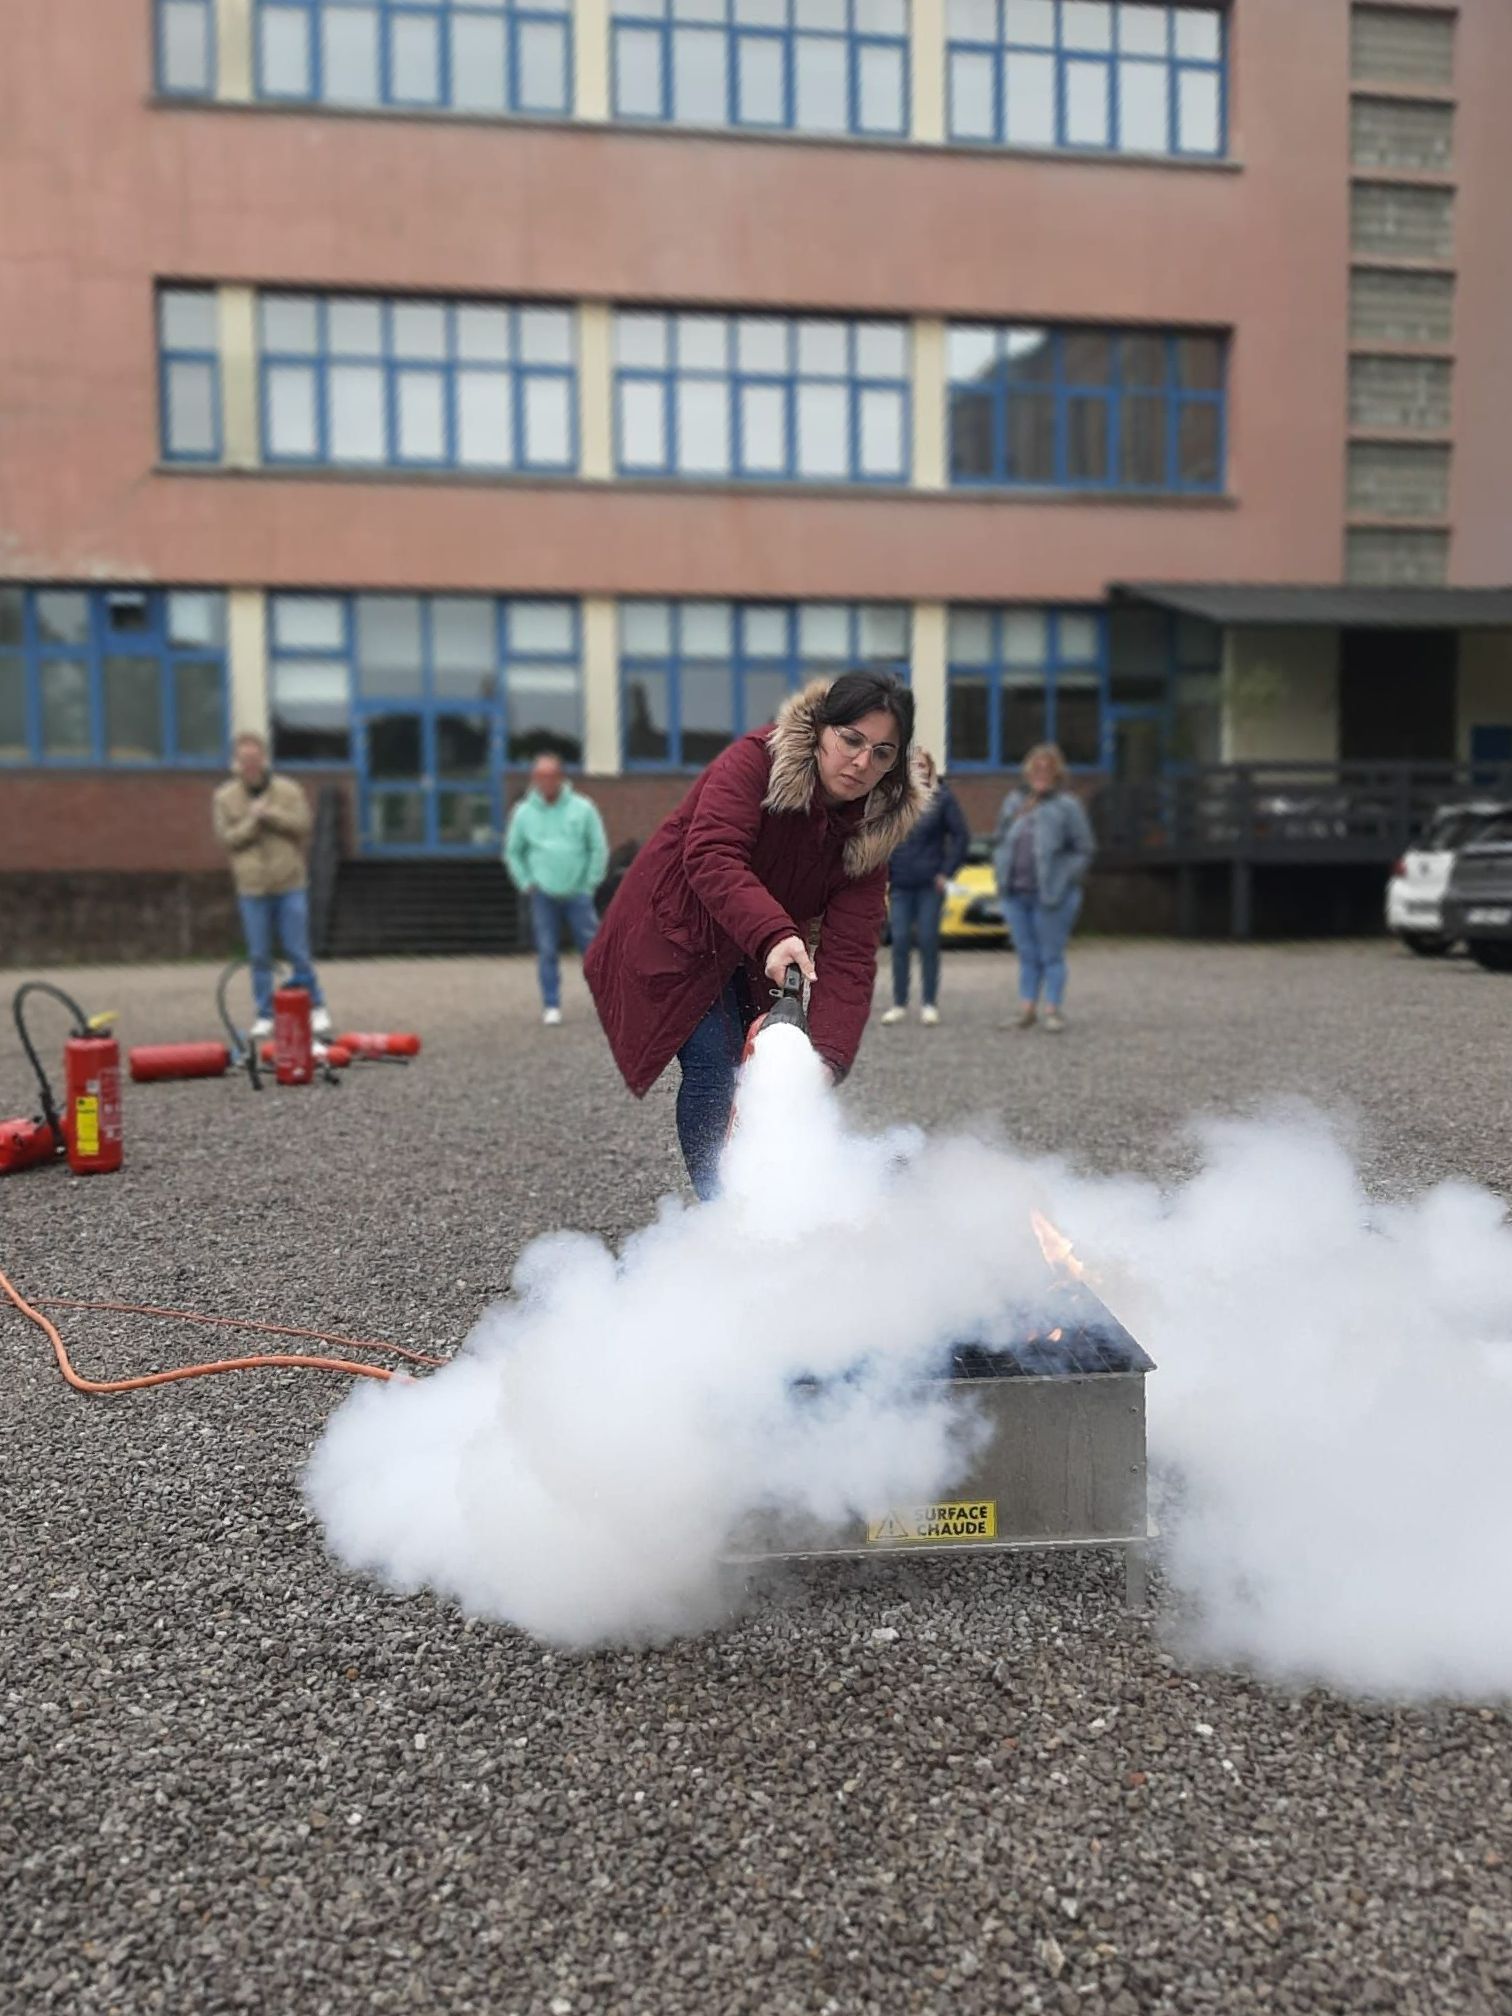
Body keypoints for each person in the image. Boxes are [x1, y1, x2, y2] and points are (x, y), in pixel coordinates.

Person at [585, 672, 926, 1200]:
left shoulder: (872, 836)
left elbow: (851, 958)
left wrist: (826, 1060)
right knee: (714, 1066)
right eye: (851, 740)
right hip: (677, 931)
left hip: (752, 953)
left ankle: (769, 1196)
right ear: (820, 730)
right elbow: (712, 852)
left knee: (760, 1070)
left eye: (883, 753)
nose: (862, 763)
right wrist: (774, 935)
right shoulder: (754, 761)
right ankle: (720, 1213)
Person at [212, 732, 330, 1040]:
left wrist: (271, 814)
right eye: (244, 760)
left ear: (264, 759)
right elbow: (227, 840)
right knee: (259, 954)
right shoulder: (225, 797)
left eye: (255, 759)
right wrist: (252, 820)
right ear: (236, 763)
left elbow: (303, 826)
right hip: (252, 888)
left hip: (289, 882)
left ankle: (315, 1006)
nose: (250, 765)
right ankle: (265, 1014)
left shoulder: (288, 790)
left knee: (297, 951)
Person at [992, 742, 1096, 1034]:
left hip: (1052, 896)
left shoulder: (1067, 806)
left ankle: (1052, 1009)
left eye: (1047, 769)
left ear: (1057, 773)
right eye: (1035, 769)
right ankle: (1026, 1010)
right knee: (1027, 954)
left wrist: (1065, 878)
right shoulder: (1014, 802)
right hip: (1015, 893)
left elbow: (1083, 849)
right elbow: (1000, 838)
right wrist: (1001, 867)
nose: (1040, 774)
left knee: (1051, 954)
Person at [504, 753, 609, 1026]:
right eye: (540, 776)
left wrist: (589, 882)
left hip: (578, 892)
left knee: (593, 951)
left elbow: (597, 847)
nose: (546, 781)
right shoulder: (524, 812)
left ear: (561, 777)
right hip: (543, 894)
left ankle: (607, 1003)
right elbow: (514, 851)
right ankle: (551, 1004)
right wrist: (526, 882)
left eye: (550, 775)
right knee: (547, 950)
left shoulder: (583, 808)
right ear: (534, 779)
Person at [879, 750, 968, 1028]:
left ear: (930, 769)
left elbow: (961, 836)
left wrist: (947, 871)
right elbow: (882, 837)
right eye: (912, 766)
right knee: (901, 941)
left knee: (928, 941)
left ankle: (929, 1003)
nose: (917, 770)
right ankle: (899, 1003)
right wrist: (885, 874)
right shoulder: (896, 799)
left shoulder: (942, 798)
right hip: (901, 883)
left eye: (922, 765)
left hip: (930, 883)